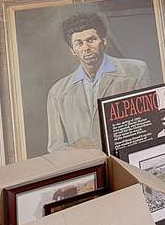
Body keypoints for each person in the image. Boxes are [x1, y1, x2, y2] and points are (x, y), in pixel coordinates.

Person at [46, 11, 149, 152]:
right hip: (86, 167)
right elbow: (55, 146)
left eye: (91, 40)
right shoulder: (57, 92)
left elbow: (147, 125)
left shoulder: (136, 71)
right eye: (79, 43)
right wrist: (75, 149)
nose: (86, 48)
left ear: (104, 41)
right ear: (72, 50)